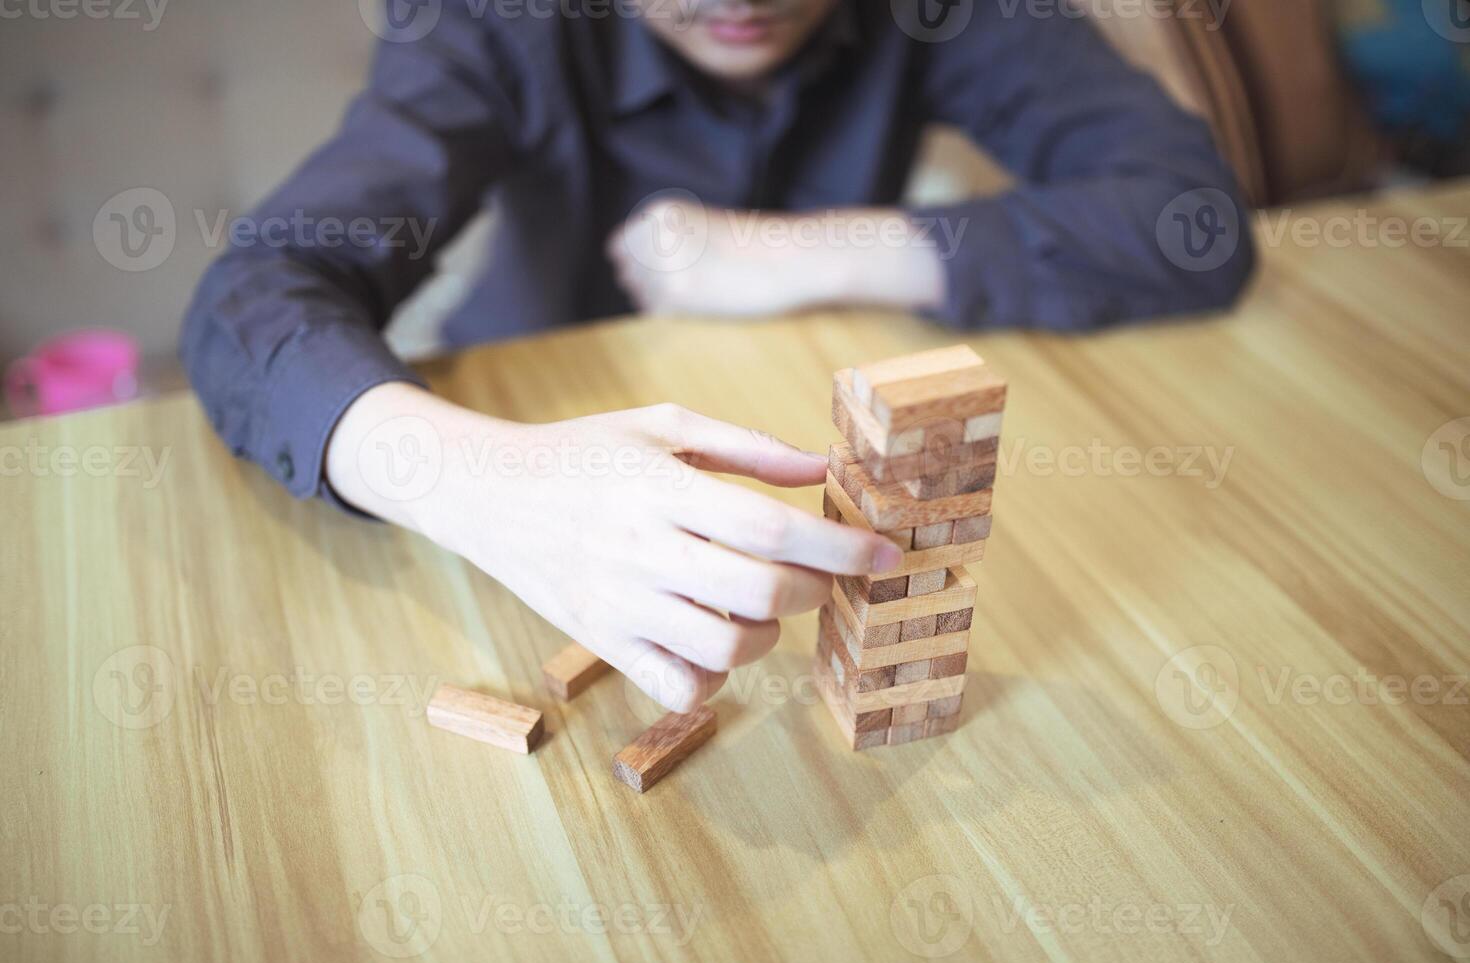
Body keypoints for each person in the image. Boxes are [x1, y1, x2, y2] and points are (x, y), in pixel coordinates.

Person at [181, 0, 1255, 712]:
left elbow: (1190, 216)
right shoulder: (497, 20)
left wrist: (818, 247)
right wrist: (483, 482)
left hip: (811, 427)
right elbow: (254, 294)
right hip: (509, 445)